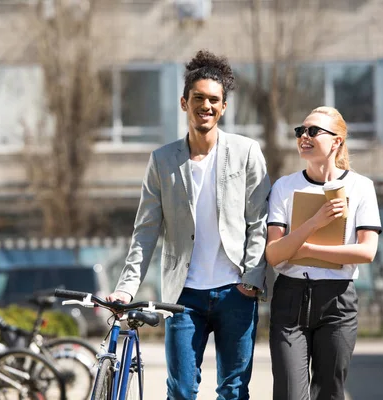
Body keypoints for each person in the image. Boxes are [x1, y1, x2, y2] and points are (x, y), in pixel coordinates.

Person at [106, 49, 270, 400]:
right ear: (184, 103)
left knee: (234, 390)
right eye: (198, 98)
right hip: (183, 297)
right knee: (180, 390)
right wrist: (126, 288)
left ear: (224, 106)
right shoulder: (163, 161)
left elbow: (259, 220)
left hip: (235, 292)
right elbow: (145, 230)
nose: (206, 106)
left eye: (214, 100)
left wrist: (252, 279)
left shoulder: (246, 153)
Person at [266, 106, 382, 400]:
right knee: (290, 394)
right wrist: (316, 222)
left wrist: (304, 249)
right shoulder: (284, 187)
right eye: (300, 131)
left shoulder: (361, 187)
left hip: (338, 301)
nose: (304, 136)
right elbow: (275, 254)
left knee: (330, 393)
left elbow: (367, 251)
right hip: (289, 299)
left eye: (313, 131)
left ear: (337, 141)